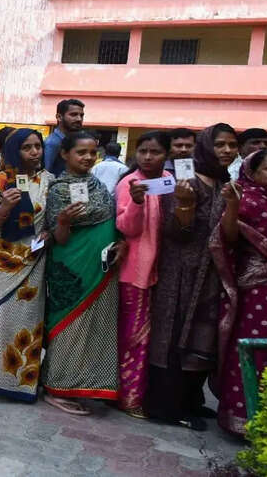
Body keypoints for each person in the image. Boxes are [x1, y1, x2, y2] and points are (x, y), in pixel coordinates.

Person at [145, 123, 238, 431]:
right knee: (174, 336)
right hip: (181, 272)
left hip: (210, 273)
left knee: (202, 337)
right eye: (220, 144)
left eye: (231, 144)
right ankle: (166, 407)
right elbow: (174, 232)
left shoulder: (223, 181)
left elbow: (229, 234)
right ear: (206, 147)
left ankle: (190, 400)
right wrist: (185, 205)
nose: (226, 150)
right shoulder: (185, 179)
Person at [212, 149, 267, 436]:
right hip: (258, 291)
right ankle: (241, 417)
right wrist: (233, 207)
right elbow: (226, 237)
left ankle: (266, 416)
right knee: (254, 350)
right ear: (253, 171)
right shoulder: (246, 199)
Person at [42, 131, 124, 416]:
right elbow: (59, 237)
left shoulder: (98, 184)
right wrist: (63, 220)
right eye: (81, 152)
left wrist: (120, 244)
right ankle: (57, 385)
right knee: (69, 325)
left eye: (92, 152)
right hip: (73, 267)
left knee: (97, 326)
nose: (88, 158)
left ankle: (86, 383)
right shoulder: (58, 189)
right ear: (65, 154)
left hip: (102, 267)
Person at [0, 128, 52, 402]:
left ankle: (21, 384)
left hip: (33, 262)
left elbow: (52, 221)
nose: (34, 152)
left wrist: (49, 233)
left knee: (27, 321)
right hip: (1, 262)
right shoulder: (0, 181)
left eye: (37, 146)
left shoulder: (50, 182)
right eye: (27, 147)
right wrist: (5, 207)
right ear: (13, 151)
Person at [113, 131, 170, 418]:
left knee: (151, 337)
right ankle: (128, 396)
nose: (148, 157)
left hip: (162, 271)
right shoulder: (129, 183)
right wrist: (136, 203)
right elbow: (127, 228)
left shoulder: (168, 183)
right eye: (143, 151)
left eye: (155, 152)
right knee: (134, 337)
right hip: (134, 272)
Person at [43, 99, 84, 176]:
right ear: (59, 117)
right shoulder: (53, 143)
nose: (79, 119)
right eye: (73, 115)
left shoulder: (72, 141)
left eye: (81, 115)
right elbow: (45, 174)